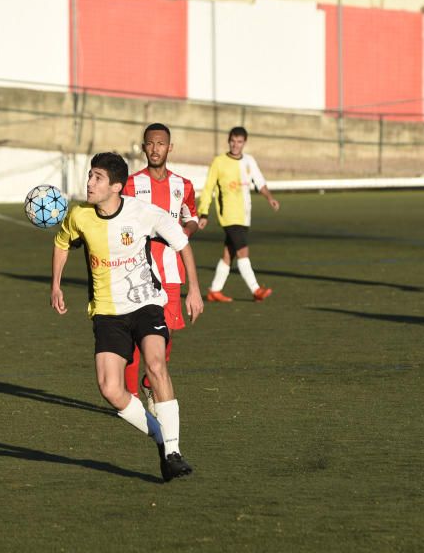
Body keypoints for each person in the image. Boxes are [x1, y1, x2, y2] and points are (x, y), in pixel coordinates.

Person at [51, 152, 203, 482]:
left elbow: (181, 243)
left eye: (97, 178)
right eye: (89, 176)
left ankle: (174, 452)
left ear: (117, 187)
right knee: (110, 389)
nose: (89, 183)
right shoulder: (79, 216)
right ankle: (163, 440)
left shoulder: (142, 213)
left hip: (146, 304)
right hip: (107, 312)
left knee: (156, 363)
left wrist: (194, 290)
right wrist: (56, 285)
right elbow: (62, 241)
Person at [121, 123, 198, 413]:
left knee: (166, 334)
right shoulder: (130, 184)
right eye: (150, 144)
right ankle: (131, 398)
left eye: (161, 144)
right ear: (143, 148)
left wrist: (185, 233)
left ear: (170, 148)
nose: (155, 149)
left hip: (170, 270)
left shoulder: (184, 185)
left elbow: (192, 217)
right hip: (135, 270)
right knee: (135, 337)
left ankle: (150, 383)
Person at [197, 126, 279, 302]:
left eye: (239, 142)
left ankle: (214, 290)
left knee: (229, 253)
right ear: (229, 141)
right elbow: (208, 188)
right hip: (228, 216)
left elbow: (260, 182)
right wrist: (203, 213)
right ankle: (256, 290)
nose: (235, 145)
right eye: (233, 141)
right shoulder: (219, 162)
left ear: (244, 143)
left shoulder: (249, 161)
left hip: (244, 215)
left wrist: (270, 198)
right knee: (243, 251)